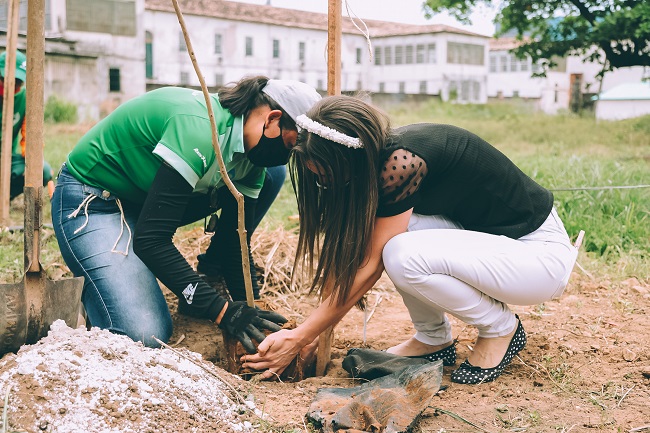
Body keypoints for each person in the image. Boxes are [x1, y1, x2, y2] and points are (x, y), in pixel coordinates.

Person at [243, 95, 578, 384]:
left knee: (400, 251)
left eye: (326, 174)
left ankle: (500, 328)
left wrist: (303, 334)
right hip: (494, 248)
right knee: (401, 238)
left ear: (349, 157)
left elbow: (371, 262)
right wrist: (310, 332)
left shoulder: (403, 162)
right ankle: (433, 339)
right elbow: (351, 250)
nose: (324, 183)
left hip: (538, 259)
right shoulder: (377, 158)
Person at [51, 76, 321, 352]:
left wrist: (250, 308)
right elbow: (152, 240)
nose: (288, 156)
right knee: (143, 334)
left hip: (144, 201)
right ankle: (98, 291)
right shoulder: (200, 129)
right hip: (95, 200)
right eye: (290, 146)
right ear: (272, 119)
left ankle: (207, 278)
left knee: (272, 174)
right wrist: (221, 311)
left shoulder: (249, 156)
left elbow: (234, 239)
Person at [0, 50, 54, 200]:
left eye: (19, 82)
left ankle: (5, 197)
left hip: (7, 159)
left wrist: (34, 159)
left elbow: (29, 138)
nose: (14, 86)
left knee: (42, 170)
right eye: (8, 80)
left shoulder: (25, 99)